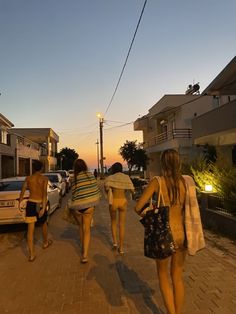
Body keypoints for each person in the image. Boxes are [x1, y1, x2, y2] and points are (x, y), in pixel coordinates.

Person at [134, 149, 205, 314]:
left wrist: (149, 212)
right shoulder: (187, 181)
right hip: (182, 235)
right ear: (178, 162)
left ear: (163, 163)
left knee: (163, 276)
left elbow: (138, 207)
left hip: (163, 235)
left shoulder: (157, 182)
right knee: (177, 277)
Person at [19, 160, 52, 262]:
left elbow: (23, 191)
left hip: (31, 203)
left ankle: (32, 254)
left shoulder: (28, 178)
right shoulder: (44, 179)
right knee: (43, 224)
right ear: (41, 168)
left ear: (33, 168)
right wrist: (43, 207)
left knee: (30, 230)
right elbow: (44, 194)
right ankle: (45, 242)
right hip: (39, 203)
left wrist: (20, 202)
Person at [70, 158, 100, 263]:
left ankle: (83, 247)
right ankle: (85, 255)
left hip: (77, 207)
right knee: (87, 230)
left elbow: (73, 193)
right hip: (89, 207)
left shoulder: (74, 178)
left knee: (80, 227)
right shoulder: (90, 175)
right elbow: (95, 189)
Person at [104, 162, 134, 254]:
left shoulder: (110, 178)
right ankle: (121, 248)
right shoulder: (126, 178)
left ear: (113, 169)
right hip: (123, 201)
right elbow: (132, 190)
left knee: (113, 222)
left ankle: (115, 243)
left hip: (113, 202)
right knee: (122, 225)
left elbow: (106, 188)